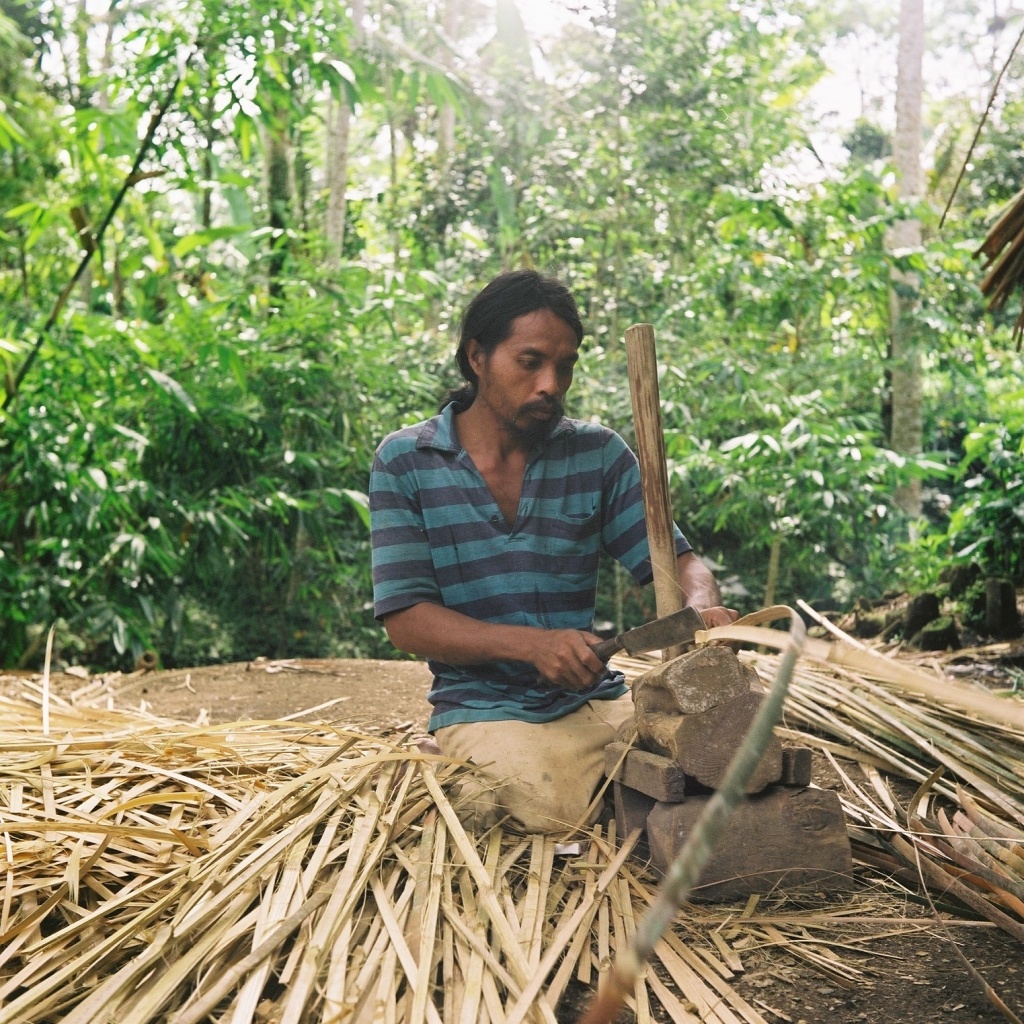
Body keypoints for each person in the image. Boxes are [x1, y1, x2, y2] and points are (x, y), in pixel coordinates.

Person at [369, 269, 737, 834]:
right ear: (477, 357)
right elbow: (407, 620)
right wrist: (532, 646)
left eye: (565, 366)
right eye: (530, 361)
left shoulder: (598, 454)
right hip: (485, 705)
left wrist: (699, 604)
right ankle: (446, 760)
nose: (551, 383)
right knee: (547, 811)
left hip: (595, 703)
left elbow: (680, 563)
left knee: (707, 768)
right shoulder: (406, 461)